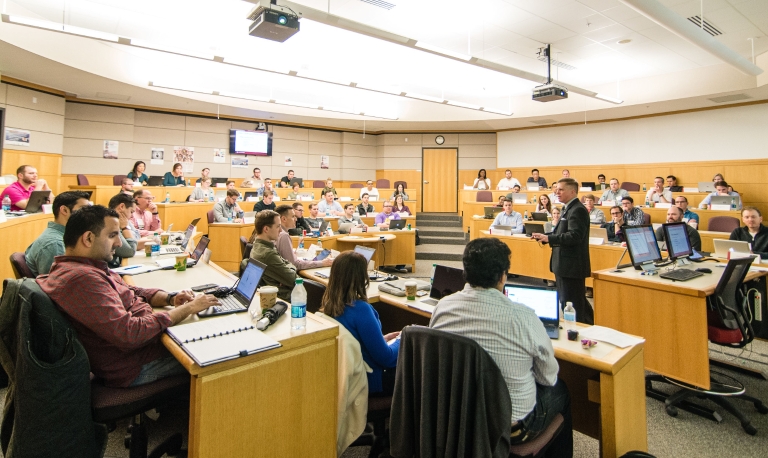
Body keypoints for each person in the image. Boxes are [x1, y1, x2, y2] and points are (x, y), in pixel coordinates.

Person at [37, 205, 220, 387]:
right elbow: (129, 333)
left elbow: (131, 290)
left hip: (140, 348)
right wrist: (188, 308)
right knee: (216, 352)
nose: (118, 243)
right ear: (88, 238)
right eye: (112, 235)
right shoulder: (82, 279)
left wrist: (170, 299)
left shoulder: (85, 267)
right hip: (135, 364)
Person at [429, 238, 572, 455]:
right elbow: (547, 378)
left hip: (454, 413)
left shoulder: (443, 306)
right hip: (509, 427)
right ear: (503, 275)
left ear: (465, 271)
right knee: (561, 389)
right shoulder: (523, 316)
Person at [320, 251, 400, 395]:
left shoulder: (328, 305)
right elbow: (387, 358)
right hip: (372, 380)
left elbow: (357, 342)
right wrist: (402, 339)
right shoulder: (361, 309)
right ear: (361, 277)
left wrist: (382, 339)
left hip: (347, 376)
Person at [531, 178, 592, 325]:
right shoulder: (567, 208)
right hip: (564, 265)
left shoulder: (577, 210)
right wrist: (547, 237)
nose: (556, 192)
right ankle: (590, 326)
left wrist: (550, 239)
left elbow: (575, 236)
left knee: (572, 304)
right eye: (556, 189)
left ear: (572, 191)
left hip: (571, 265)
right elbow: (563, 232)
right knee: (575, 301)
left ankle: (579, 333)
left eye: (561, 189)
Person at [25, 191, 91, 276]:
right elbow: (58, 284)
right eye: (83, 209)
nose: (88, 213)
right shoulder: (55, 244)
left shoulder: (65, 236)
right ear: (64, 210)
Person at [246, 210, 297, 301]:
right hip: (285, 297)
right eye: (278, 226)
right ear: (266, 229)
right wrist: (291, 268)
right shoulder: (267, 254)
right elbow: (293, 279)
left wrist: (287, 267)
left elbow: (286, 262)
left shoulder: (258, 245)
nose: (281, 230)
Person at [274, 205, 333, 269]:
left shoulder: (278, 233)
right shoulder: (284, 235)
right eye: (293, 216)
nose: (296, 219)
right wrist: (322, 263)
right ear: (284, 219)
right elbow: (294, 264)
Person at [107, 192, 140, 268]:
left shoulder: (123, 220)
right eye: (131, 212)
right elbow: (130, 251)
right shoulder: (110, 223)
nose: (132, 216)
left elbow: (137, 236)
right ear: (121, 207)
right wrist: (125, 228)